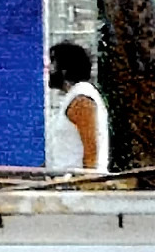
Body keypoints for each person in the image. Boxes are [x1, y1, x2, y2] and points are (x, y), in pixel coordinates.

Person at [46, 42, 109, 172]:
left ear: (64, 69)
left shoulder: (81, 99)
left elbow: (91, 150)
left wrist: (86, 185)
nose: (48, 68)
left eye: (52, 62)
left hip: (76, 186)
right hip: (64, 184)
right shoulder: (72, 97)